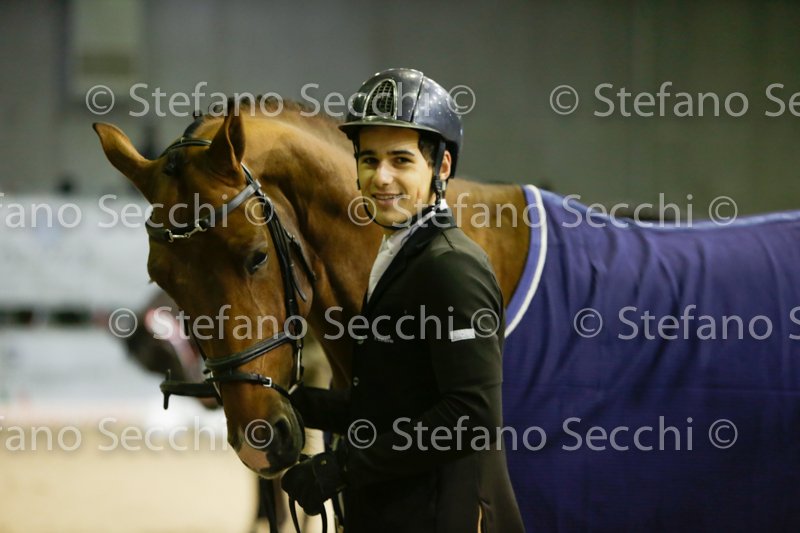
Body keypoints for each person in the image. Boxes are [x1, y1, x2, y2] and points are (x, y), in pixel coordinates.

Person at [282, 68, 524, 533]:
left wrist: (343, 466)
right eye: (369, 160)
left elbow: (471, 416)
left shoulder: (451, 267)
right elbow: (392, 407)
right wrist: (298, 403)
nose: (381, 177)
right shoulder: (400, 255)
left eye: (401, 160)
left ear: (442, 168)